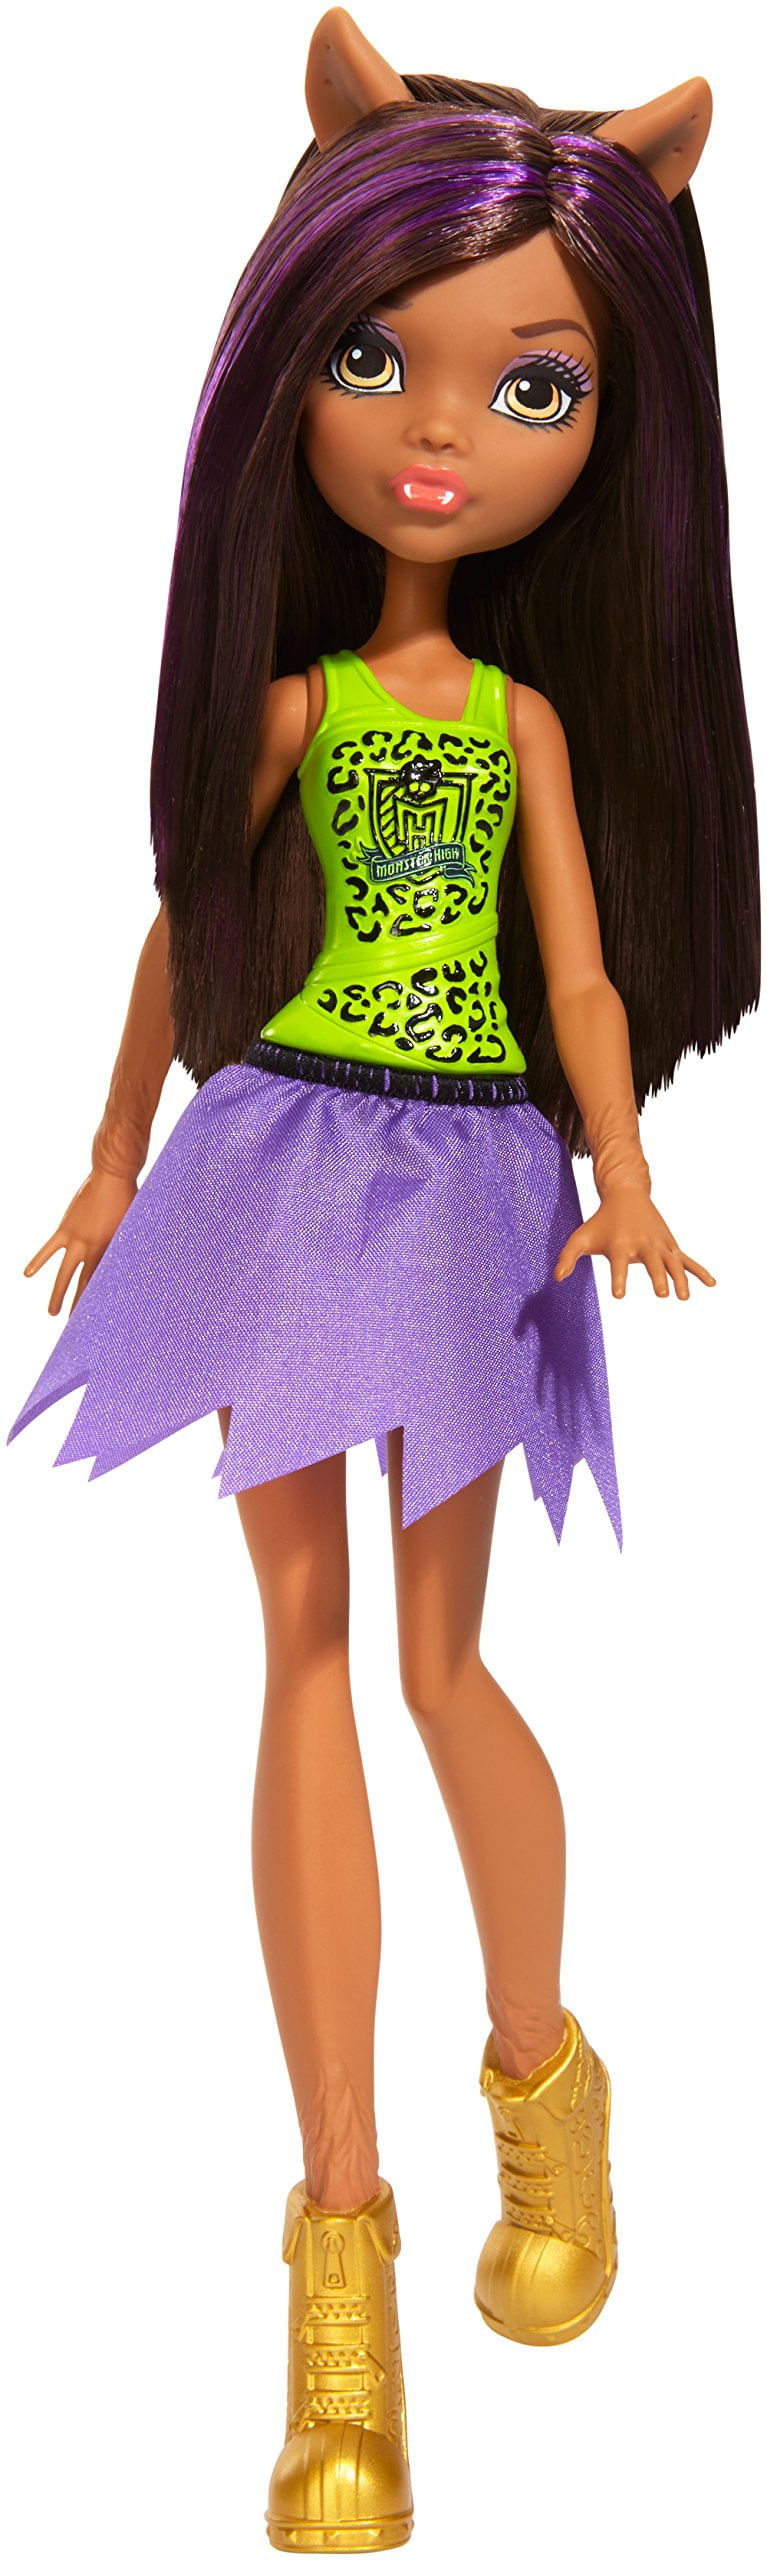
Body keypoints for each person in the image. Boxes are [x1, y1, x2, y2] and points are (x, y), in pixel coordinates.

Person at [7, 12, 759, 2550]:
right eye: (380, 360)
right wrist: (112, 1151)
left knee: (443, 1665)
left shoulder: (528, 718)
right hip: (278, 1149)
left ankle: (542, 2062)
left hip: (461, 1181)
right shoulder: (294, 701)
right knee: (305, 1655)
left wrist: (622, 1164)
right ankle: (342, 2259)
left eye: (531, 383)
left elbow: (581, 973)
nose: (441, 435)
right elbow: (183, 928)